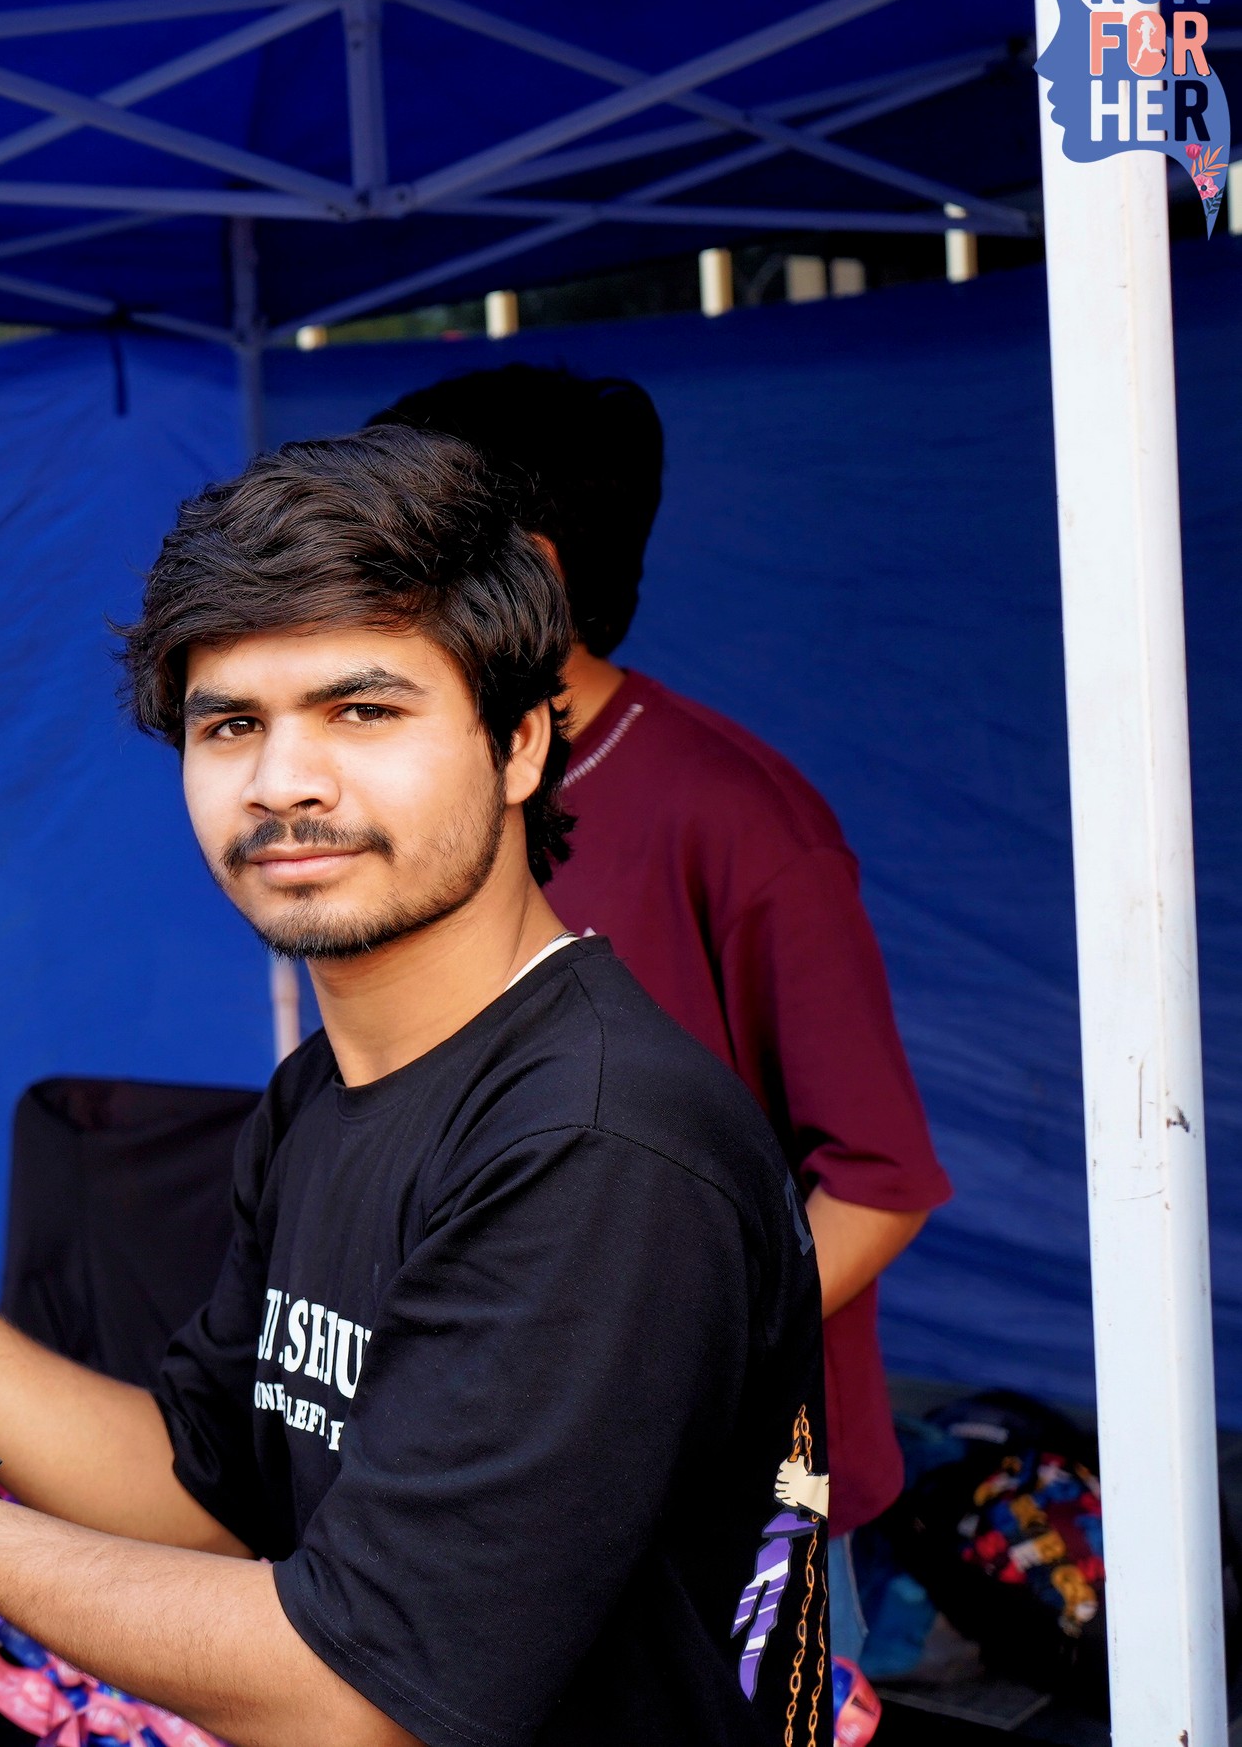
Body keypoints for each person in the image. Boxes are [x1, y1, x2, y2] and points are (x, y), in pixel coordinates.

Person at [0, 428, 830, 1746]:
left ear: (521, 742)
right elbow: (201, 1486)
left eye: (363, 710)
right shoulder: (325, 1089)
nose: (283, 781)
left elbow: (354, 1690)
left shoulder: (597, 1142)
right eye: (231, 724)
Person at [372, 363, 951, 1665]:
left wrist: (644, 1368)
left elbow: (880, 1181)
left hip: (727, 1501)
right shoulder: (405, 796)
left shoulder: (739, 818)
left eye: (392, 543)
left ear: (527, 569)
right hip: (482, 1470)